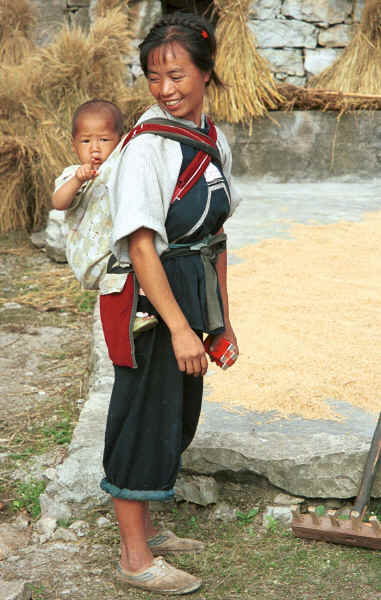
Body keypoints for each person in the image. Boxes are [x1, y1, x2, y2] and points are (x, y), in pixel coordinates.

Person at [99, 12, 241, 595]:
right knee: (143, 415)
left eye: (178, 75)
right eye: (154, 78)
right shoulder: (148, 147)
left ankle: (149, 531)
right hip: (148, 300)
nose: (166, 90)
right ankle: (134, 558)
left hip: (190, 287)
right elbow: (139, 244)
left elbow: (219, 235)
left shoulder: (213, 138)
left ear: (206, 73)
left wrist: (221, 322)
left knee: (177, 415)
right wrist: (180, 328)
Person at [51, 99, 158, 336]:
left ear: (119, 141)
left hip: (115, 255)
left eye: (104, 140)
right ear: (73, 144)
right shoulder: (72, 174)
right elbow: (58, 202)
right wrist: (78, 180)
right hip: (91, 257)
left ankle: (141, 312)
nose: (95, 149)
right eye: (86, 141)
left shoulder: (119, 166)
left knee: (142, 263)